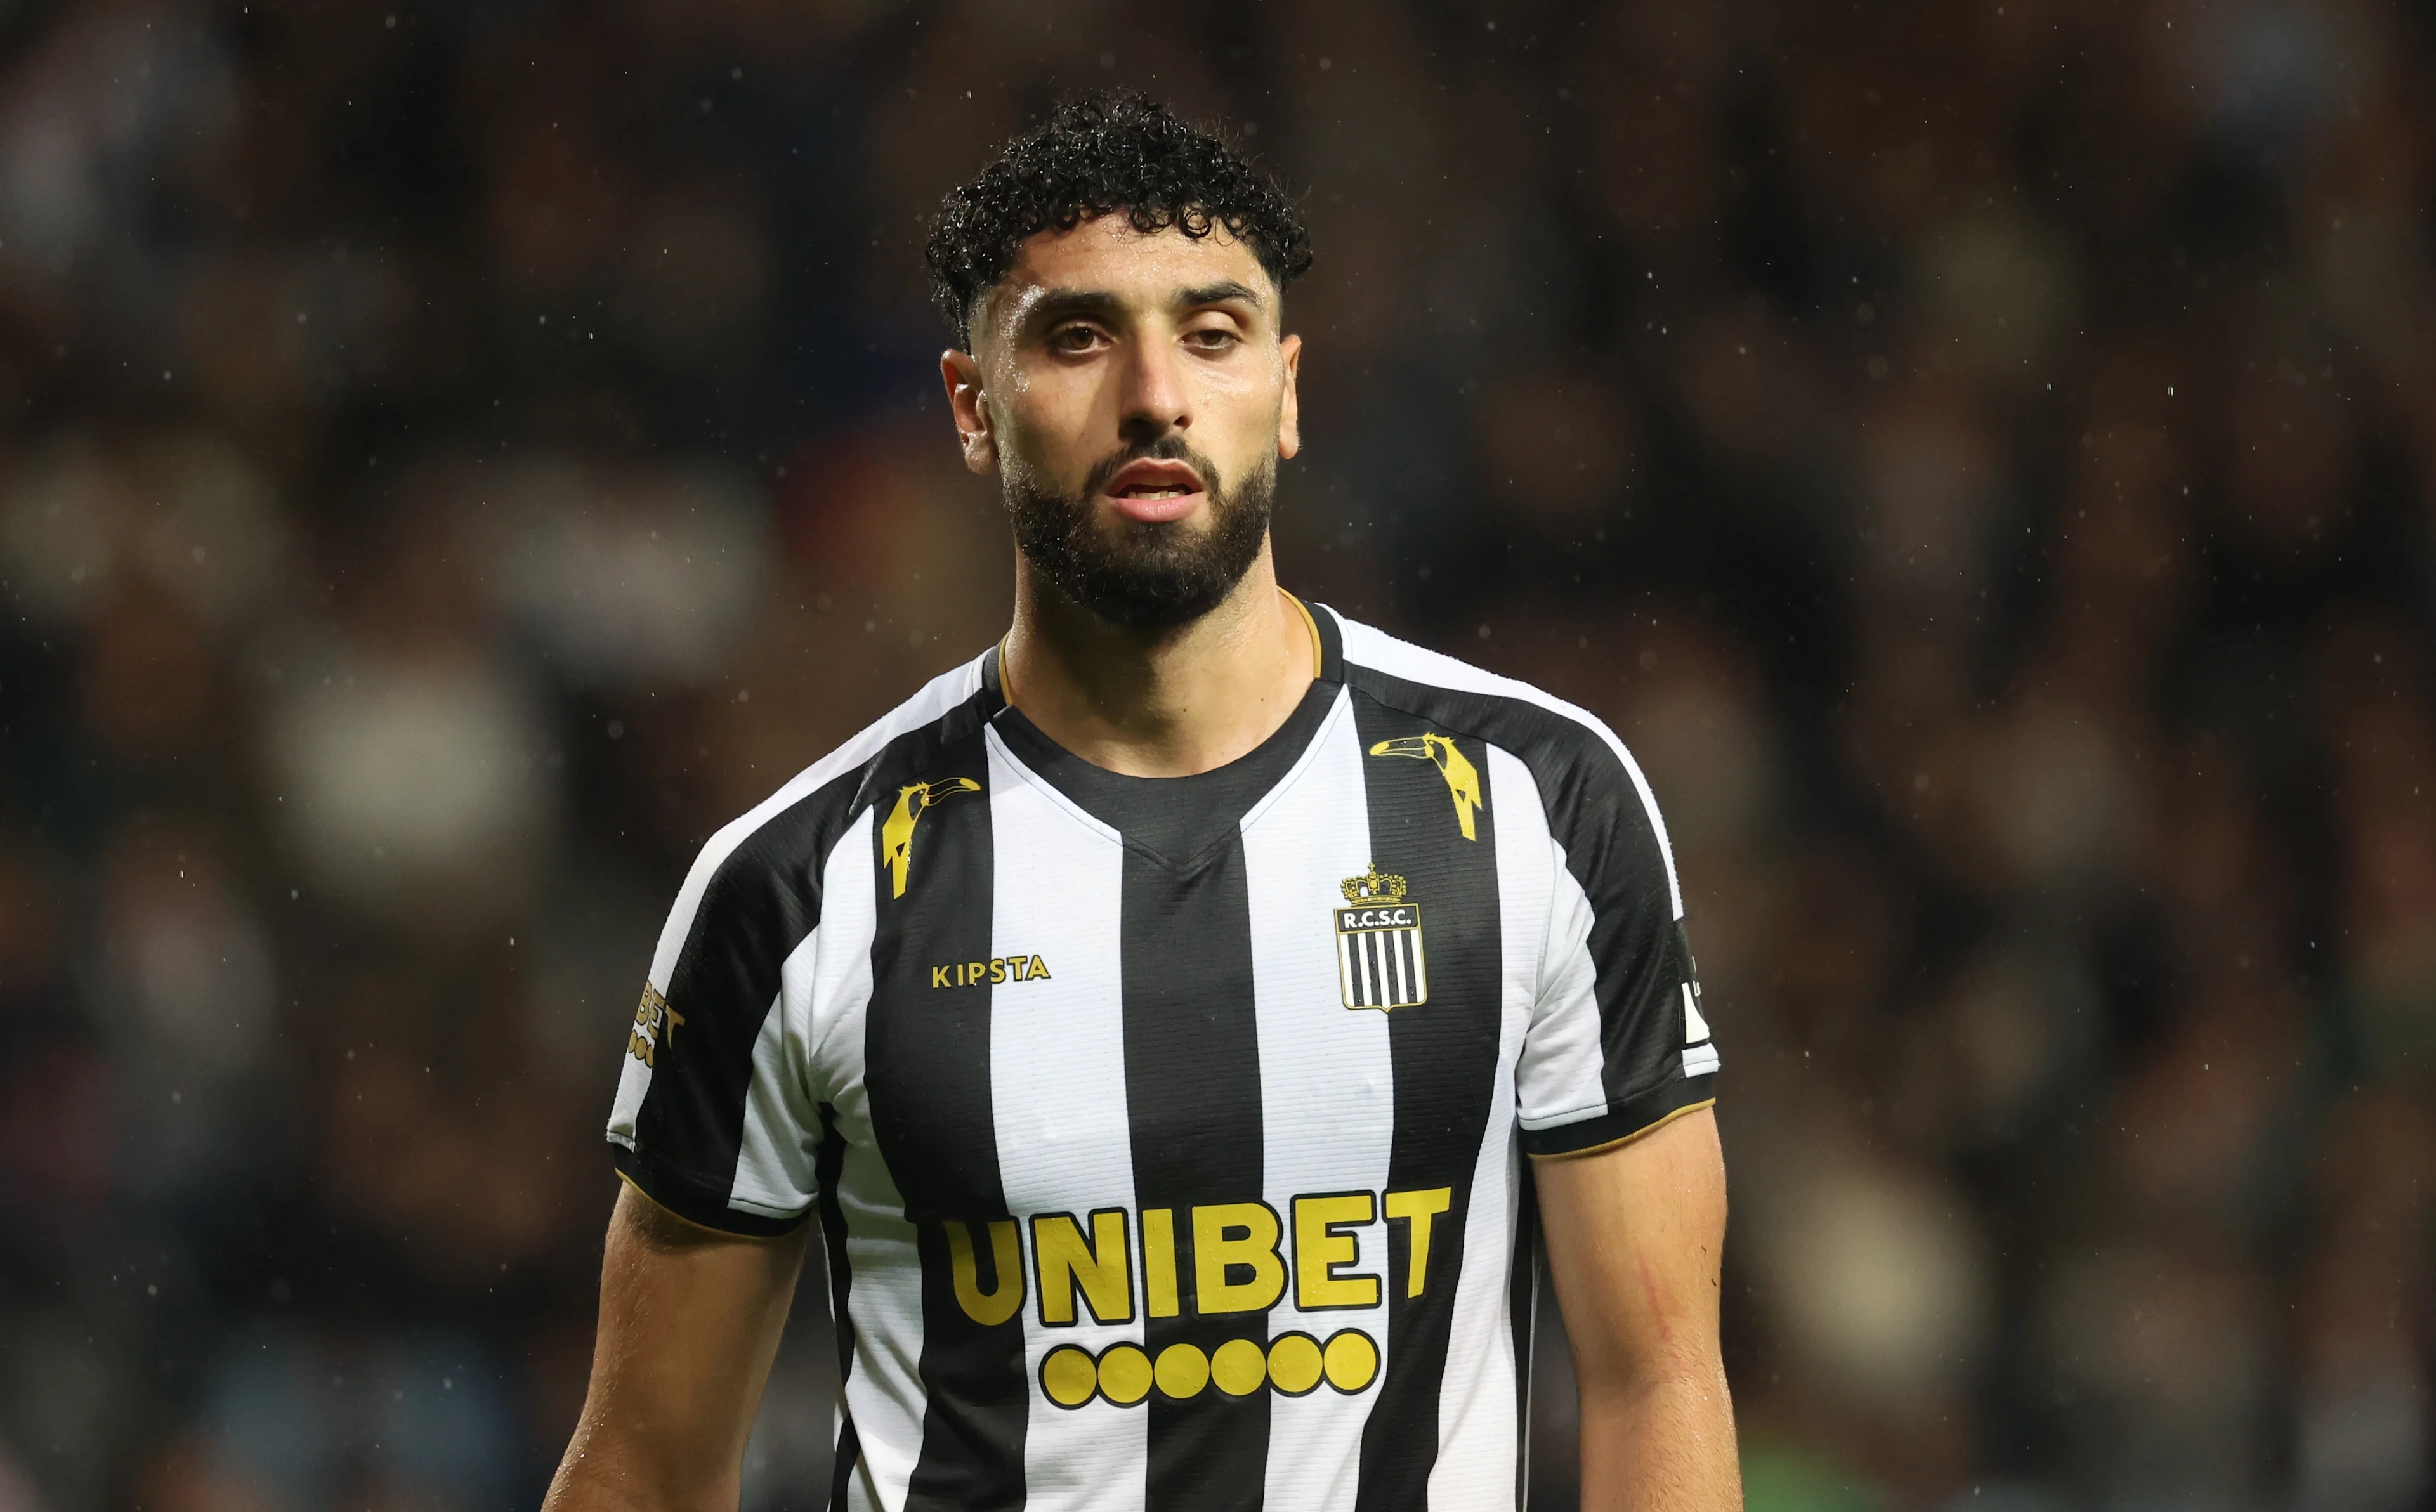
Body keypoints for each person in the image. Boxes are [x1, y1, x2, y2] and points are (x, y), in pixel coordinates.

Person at [544, 91, 1737, 1512]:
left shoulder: (1536, 803)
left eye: (1214, 332)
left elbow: (1657, 1379)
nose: (1156, 394)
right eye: (1079, 334)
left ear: (1288, 393)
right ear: (973, 408)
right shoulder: (799, 888)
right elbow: (647, 1470)